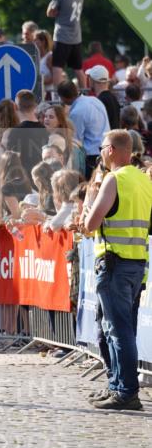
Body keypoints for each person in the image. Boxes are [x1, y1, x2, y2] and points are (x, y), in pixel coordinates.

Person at [83, 129, 152, 411]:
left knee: (117, 330)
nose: (100, 152)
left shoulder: (114, 179)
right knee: (117, 328)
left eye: (101, 147)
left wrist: (88, 203)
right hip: (137, 265)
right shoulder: (143, 180)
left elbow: (91, 223)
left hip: (114, 263)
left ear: (111, 149)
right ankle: (116, 385)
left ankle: (126, 391)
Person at [57, 79, 109, 175]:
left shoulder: (77, 112)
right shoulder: (95, 100)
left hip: (91, 157)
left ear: (62, 98)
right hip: (105, 151)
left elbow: (76, 141)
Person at [47, 0, 86, 90]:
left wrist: (56, 11)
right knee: (78, 69)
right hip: (76, 36)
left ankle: (58, 98)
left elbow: (50, 12)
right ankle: (84, 93)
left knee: (57, 67)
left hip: (62, 35)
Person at [5, 89, 49, 179]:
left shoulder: (15, 132)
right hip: (43, 178)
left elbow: (11, 160)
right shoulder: (45, 130)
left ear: (16, 107)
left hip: (24, 181)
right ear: (35, 106)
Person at [88, 65, 120, 130]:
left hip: (107, 138)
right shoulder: (113, 98)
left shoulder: (99, 101)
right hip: (113, 138)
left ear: (92, 80)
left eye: (89, 77)